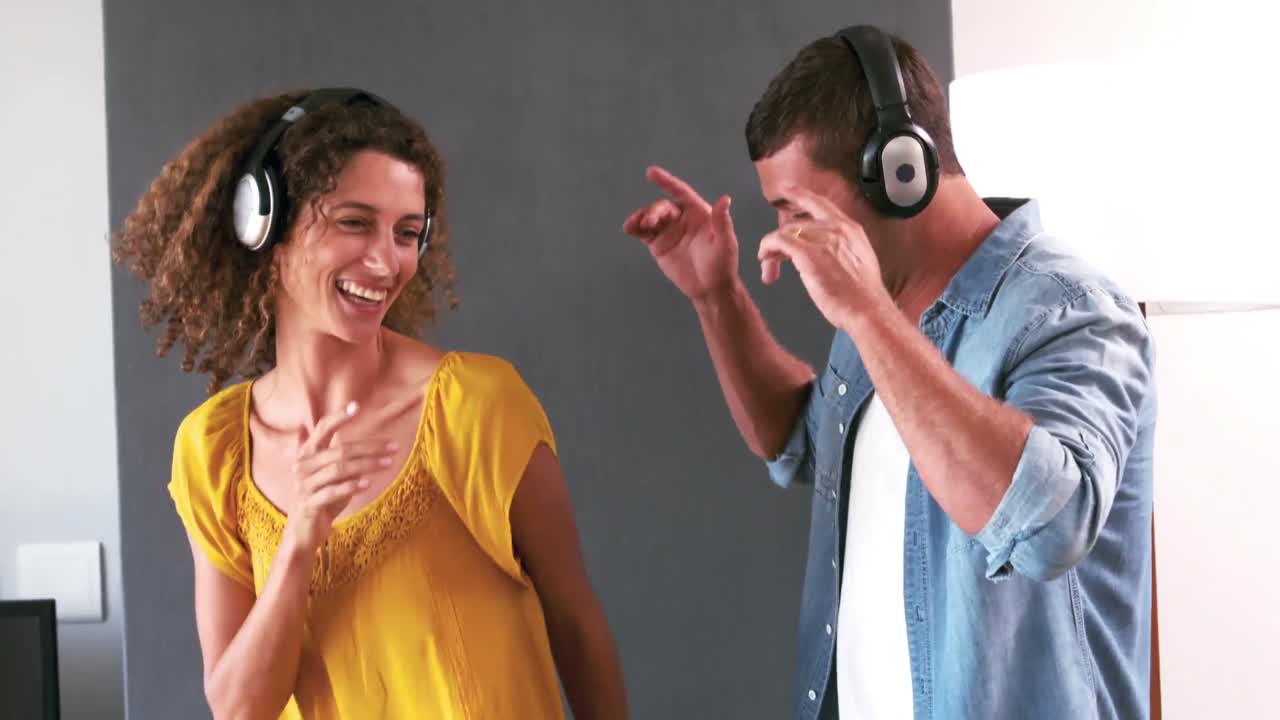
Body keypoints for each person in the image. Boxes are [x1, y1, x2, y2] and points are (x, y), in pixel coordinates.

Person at [623, 25, 1156, 720]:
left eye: (801, 210)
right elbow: (804, 445)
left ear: (903, 173)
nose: (785, 235)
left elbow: (1048, 528)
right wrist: (716, 295)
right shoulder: (881, 313)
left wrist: (869, 317)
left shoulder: (1070, 310)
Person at [113, 87, 628, 719]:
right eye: (355, 222)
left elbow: (577, 624)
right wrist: (299, 540)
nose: (386, 261)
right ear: (264, 224)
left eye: (407, 232)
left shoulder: (474, 405)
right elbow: (239, 709)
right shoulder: (213, 450)